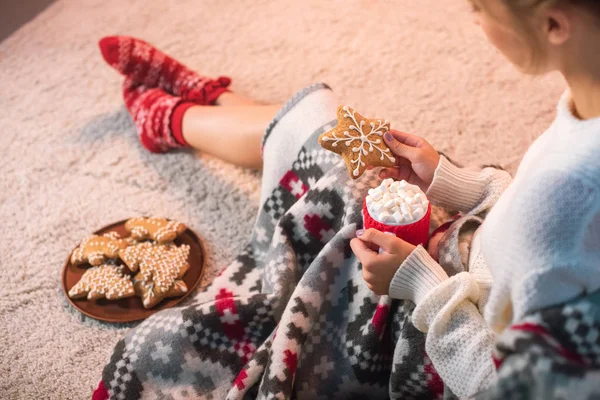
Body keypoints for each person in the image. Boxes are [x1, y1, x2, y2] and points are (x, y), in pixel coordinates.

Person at [93, 0, 600, 398]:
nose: (475, 23)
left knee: (329, 144)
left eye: (479, 10)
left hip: (433, 333)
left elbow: (501, 386)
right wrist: (452, 182)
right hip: (463, 248)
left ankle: (175, 120)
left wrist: (418, 281)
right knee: (339, 130)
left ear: (555, 24)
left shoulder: (580, 189)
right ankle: (209, 98)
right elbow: (528, 221)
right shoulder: (587, 111)